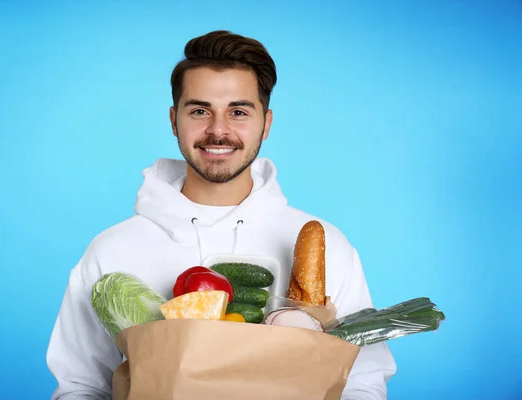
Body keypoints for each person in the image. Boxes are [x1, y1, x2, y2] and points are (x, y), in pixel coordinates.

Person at [46, 29, 397, 399]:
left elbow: (362, 382)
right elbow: (81, 386)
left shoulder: (328, 245)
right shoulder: (113, 249)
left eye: (239, 112)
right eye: (199, 111)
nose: (218, 131)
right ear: (173, 119)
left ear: (267, 122)